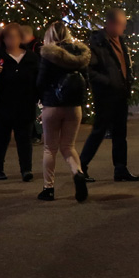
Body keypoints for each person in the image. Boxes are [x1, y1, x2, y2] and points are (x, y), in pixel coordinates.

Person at [81, 9, 139, 182]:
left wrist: (126, 80)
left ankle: (121, 168)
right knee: (99, 131)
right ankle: (81, 167)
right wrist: (108, 81)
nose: (124, 28)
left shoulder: (121, 42)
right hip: (106, 94)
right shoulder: (98, 43)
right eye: (121, 24)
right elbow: (89, 70)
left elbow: (124, 64)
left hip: (120, 93)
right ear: (111, 24)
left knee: (120, 133)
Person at [36, 21, 92, 202]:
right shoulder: (80, 54)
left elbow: (41, 82)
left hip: (52, 106)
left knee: (50, 148)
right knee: (68, 146)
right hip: (74, 107)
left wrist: (39, 100)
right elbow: (87, 81)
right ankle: (78, 172)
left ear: (50, 36)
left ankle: (48, 188)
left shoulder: (48, 54)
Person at [0, 22, 40, 181]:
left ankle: (26, 169)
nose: (11, 40)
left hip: (25, 103)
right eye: (8, 37)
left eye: (15, 37)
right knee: (1, 138)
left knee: (24, 138)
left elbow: (38, 79)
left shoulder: (31, 57)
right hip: (3, 104)